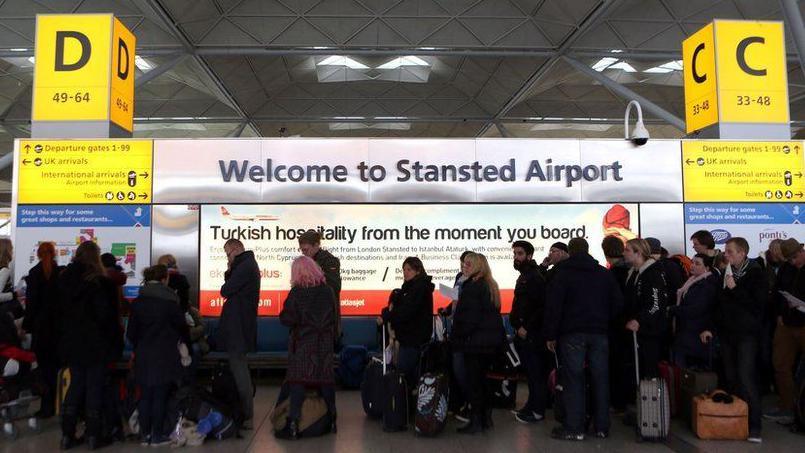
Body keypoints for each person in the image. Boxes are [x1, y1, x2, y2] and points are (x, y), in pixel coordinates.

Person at [544, 237, 623, 441]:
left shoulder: (562, 274)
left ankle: (575, 428)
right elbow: (617, 303)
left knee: (574, 379)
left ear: (570, 251)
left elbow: (554, 307)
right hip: (599, 333)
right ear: (588, 250)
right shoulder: (603, 274)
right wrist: (604, 321)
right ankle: (602, 427)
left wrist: (551, 335)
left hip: (572, 334)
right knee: (600, 379)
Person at [58, 241, 122, 450]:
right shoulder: (101, 283)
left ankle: (67, 435)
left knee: (75, 385)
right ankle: (93, 435)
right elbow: (108, 318)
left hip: (72, 343)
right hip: (97, 343)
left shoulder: (64, 280)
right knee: (94, 387)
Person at [701, 237, 766, 443]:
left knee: (746, 377)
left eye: (730, 251)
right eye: (726, 251)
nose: (726, 255)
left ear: (742, 253)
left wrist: (735, 288)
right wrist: (711, 327)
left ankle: (755, 425)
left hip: (747, 334)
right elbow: (718, 304)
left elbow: (758, 305)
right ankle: (736, 419)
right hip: (727, 333)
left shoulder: (755, 273)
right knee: (730, 376)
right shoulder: (726, 274)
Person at [126, 265, 191, 447]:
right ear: (164, 279)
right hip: (165, 354)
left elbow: (131, 333)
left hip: (144, 354)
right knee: (160, 396)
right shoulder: (170, 303)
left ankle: (144, 435)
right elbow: (182, 329)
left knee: (145, 395)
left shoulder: (138, 302)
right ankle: (157, 435)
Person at [277, 256, 338, 439]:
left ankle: (294, 423)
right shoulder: (328, 291)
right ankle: (332, 418)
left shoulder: (297, 293)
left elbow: (287, 318)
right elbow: (333, 316)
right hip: (324, 344)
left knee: (298, 382)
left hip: (303, 344)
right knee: (325, 381)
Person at [451, 253, 504, 434]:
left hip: (474, 343)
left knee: (474, 382)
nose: (464, 267)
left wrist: (458, 336)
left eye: (468, 264)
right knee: (483, 381)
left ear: (478, 266)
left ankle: (476, 422)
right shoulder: (490, 285)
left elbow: (469, 319)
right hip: (487, 343)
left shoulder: (473, 287)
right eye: (464, 263)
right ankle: (485, 418)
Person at [219, 239, 260, 429]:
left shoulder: (245, 266)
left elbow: (225, 290)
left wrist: (230, 268)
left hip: (238, 326)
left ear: (235, 249)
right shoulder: (246, 264)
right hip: (240, 325)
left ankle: (246, 413)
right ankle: (245, 412)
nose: (227, 258)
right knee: (238, 366)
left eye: (228, 253)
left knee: (239, 368)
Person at [21, 242, 63, 418]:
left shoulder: (34, 274)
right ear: (54, 254)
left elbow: (31, 305)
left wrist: (25, 327)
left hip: (41, 329)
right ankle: (59, 404)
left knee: (44, 370)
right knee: (57, 369)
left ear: (38, 254)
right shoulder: (61, 273)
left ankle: (46, 406)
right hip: (59, 328)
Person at [765, 238, 805, 424]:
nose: (793, 262)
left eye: (795, 257)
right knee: (780, 364)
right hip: (786, 324)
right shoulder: (787, 269)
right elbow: (779, 291)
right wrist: (780, 314)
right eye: (789, 259)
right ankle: (787, 406)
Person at [379, 257, 434, 389]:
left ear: (418, 270)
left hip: (413, 337)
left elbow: (407, 311)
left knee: (403, 374)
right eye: (404, 270)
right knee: (409, 375)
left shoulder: (419, 288)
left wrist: (387, 316)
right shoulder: (411, 287)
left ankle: (405, 405)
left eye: (409, 269)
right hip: (409, 336)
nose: (405, 272)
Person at [508, 240, 548, 424]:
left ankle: (537, 411)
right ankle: (530, 406)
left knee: (536, 373)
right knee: (531, 374)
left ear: (529, 256)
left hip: (531, 334)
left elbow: (541, 307)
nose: (516, 257)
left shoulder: (534, 276)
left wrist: (526, 327)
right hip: (522, 332)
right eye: (515, 253)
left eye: (520, 254)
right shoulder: (524, 275)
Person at [623, 238, 668, 379]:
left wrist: (639, 320)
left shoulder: (652, 273)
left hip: (650, 332)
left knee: (649, 370)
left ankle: (652, 399)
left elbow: (656, 304)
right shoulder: (633, 273)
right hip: (637, 332)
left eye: (627, 250)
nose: (623, 253)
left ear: (639, 253)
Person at [668, 254, 719, 368]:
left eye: (697, 264)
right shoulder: (692, 281)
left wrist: (673, 309)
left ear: (707, 268)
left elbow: (697, 309)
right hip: (686, 330)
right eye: (692, 262)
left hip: (696, 331)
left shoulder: (707, 285)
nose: (692, 266)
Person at [601, 235, 630, 413]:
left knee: (614, 365)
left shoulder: (611, 274)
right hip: (631, 324)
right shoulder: (632, 270)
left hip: (614, 326)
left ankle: (617, 402)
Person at [298, 230, 342, 345]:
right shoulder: (305, 262)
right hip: (309, 318)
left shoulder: (330, 261)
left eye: (306, 250)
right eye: (302, 250)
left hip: (325, 318)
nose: (304, 253)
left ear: (316, 245)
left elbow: (334, 287)